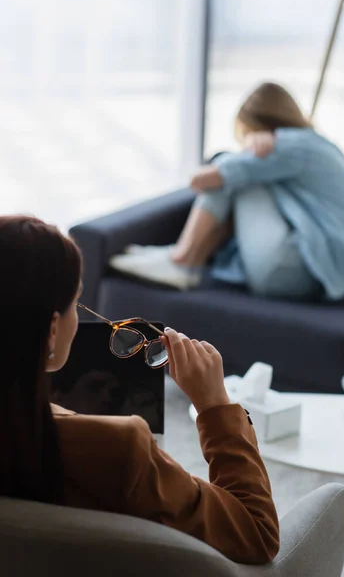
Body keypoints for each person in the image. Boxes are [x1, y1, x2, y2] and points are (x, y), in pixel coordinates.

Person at [0, 215, 279, 565]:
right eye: (76, 303)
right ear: (52, 329)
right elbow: (257, 534)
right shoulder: (118, 449)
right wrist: (215, 406)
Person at [110, 82, 344, 301]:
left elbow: (200, 180)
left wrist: (248, 150)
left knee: (230, 167)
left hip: (291, 271)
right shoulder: (316, 146)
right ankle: (186, 260)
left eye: (246, 133)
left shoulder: (291, 145)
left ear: (258, 124)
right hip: (310, 276)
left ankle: (182, 259)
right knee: (237, 168)